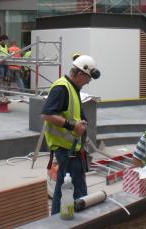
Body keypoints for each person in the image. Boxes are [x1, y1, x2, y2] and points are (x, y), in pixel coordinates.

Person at [41, 54, 101, 215]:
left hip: (72, 150)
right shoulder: (62, 88)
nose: (88, 81)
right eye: (88, 78)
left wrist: (81, 121)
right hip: (65, 150)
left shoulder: (72, 88)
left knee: (69, 189)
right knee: (69, 191)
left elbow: (72, 113)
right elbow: (46, 114)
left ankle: (64, 221)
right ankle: (62, 222)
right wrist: (72, 126)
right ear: (80, 74)